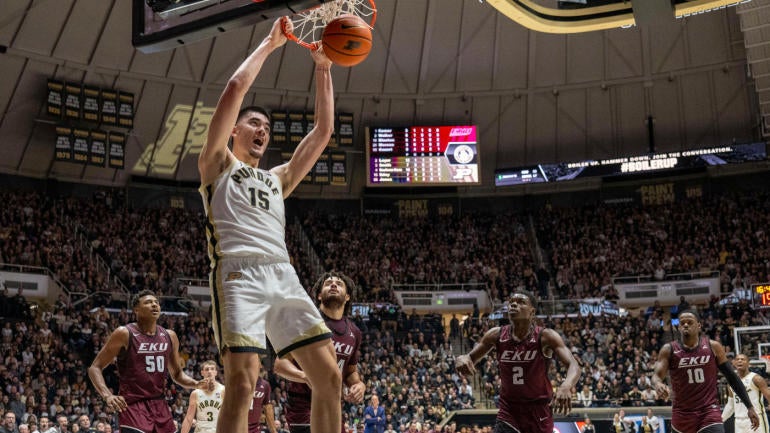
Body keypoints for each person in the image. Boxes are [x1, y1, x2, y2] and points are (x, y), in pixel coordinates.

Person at [197, 14, 341, 433]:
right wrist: (270, 43)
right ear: (234, 131)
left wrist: (323, 68)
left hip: (283, 274)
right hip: (237, 273)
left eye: (267, 127)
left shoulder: (278, 179)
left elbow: (323, 130)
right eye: (254, 123)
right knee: (241, 385)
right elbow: (235, 88)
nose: (262, 130)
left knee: (328, 378)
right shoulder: (217, 163)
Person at [455, 291, 580, 433]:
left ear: (532, 312)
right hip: (509, 411)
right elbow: (469, 358)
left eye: (521, 302)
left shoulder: (546, 336)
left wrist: (566, 385)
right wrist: (461, 358)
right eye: (511, 301)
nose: (513, 304)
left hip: (538, 410)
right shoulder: (496, 335)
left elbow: (573, 364)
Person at [88, 290, 209, 433]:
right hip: (133, 406)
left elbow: (177, 374)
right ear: (136, 309)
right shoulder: (124, 333)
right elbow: (94, 368)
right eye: (148, 302)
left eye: (156, 302)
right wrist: (107, 395)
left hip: (160, 405)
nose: (154, 305)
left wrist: (195, 383)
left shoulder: (169, 335)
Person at [274, 272, 366, 433]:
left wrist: (358, 384)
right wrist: (305, 376)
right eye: (328, 283)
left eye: (339, 283)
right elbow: (280, 364)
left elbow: (350, 371)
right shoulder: (306, 323)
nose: (333, 284)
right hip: (302, 406)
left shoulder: (355, 332)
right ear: (318, 295)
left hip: (334, 403)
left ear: (347, 297)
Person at [652, 309, 760, 433]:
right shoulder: (669, 349)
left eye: (690, 322)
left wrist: (750, 407)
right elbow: (656, 376)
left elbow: (732, 378)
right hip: (682, 414)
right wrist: (658, 384)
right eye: (682, 323)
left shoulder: (713, 347)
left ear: (699, 325)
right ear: (678, 327)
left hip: (708, 411)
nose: (686, 325)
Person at [721, 354, 770, 433]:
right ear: (733, 363)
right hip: (739, 422)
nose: (740, 361)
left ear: (748, 363)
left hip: (756, 418)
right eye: (737, 359)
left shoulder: (756, 379)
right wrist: (720, 419)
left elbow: (768, 396)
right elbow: (730, 405)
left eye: (743, 359)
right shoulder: (731, 383)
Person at [181, 360, 225, 433]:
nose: (209, 371)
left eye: (212, 369)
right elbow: (189, 418)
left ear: (216, 372)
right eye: (207, 369)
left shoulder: (223, 390)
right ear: (202, 373)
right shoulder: (195, 393)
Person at [247, 366, 277, 433]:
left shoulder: (265, 385)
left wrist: (273, 431)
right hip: (239, 426)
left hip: (255, 428)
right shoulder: (237, 382)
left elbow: (268, 408)